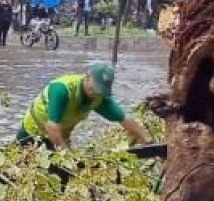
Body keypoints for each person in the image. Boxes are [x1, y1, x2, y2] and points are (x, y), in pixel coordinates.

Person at [16, 63, 152, 150]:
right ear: (87, 78)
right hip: (33, 132)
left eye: (100, 92)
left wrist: (147, 141)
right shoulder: (62, 90)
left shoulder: (99, 98)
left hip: (61, 135)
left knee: (63, 179)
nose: (96, 95)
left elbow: (124, 118)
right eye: (94, 90)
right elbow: (52, 126)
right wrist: (67, 156)